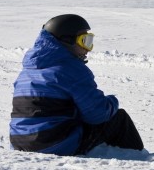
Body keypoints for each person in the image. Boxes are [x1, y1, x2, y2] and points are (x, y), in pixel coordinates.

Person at [10, 14, 144, 156]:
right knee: (118, 118)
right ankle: (141, 160)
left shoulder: (27, 71)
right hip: (52, 145)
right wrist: (112, 102)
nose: (88, 49)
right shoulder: (70, 68)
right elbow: (97, 114)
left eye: (89, 41)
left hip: (19, 144)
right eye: (84, 41)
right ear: (66, 41)